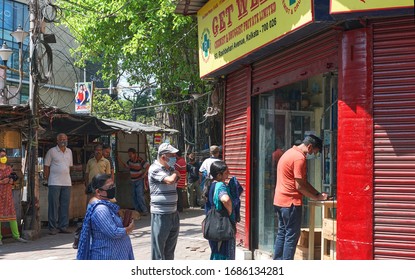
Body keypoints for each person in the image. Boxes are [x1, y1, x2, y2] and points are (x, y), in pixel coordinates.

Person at [273, 134, 328, 260]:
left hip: (279, 201)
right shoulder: (299, 158)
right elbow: (299, 186)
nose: (313, 155)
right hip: (290, 203)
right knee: (291, 237)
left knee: (282, 233)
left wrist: (317, 194)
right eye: (315, 152)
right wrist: (317, 198)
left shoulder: (289, 152)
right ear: (309, 147)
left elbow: (302, 182)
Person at [76, 174, 135, 260]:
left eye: (113, 185)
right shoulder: (101, 209)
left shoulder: (106, 205)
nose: (113, 189)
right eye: (109, 187)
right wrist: (128, 229)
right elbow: (113, 232)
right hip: (106, 256)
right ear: (98, 192)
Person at [148, 143, 181, 260]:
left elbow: (178, 176)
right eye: (171, 155)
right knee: (159, 250)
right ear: (163, 157)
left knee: (170, 250)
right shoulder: (154, 168)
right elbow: (170, 180)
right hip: (161, 214)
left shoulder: (171, 169)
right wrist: (175, 174)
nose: (174, 158)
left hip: (173, 213)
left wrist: (175, 173)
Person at [205, 160, 237, 260]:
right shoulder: (220, 185)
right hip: (222, 225)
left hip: (213, 224)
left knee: (216, 251)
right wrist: (230, 211)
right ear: (219, 175)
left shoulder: (211, 184)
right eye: (226, 172)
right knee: (223, 253)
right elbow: (225, 199)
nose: (229, 173)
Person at [44, 133, 73, 235]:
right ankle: (52, 227)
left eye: (64, 139)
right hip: (54, 182)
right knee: (54, 205)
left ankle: (63, 226)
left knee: (65, 205)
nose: (63, 141)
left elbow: (70, 167)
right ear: (57, 141)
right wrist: (46, 179)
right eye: (61, 139)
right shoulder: (51, 151)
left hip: (66, 182)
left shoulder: (69, 151)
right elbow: (46, 166)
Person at [0, 148, 27, 245]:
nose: (3, 158)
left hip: (7, 195)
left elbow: (14, 179)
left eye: (4, 156)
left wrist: (11, 181)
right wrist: (1, 181)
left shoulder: (8, 168)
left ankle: (16, 236)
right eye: (1, 156)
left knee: (12, 216)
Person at [120, 148, 150, 216]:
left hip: (139, 180)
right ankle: (137, 211)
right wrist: (121, 161)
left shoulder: (140, 160)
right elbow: (127, 166)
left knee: (139, 196)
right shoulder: (130, 161)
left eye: (131, 154)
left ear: (134, 154)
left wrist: (144, 174)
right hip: (133, 180)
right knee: (134, 196)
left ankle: (144, 210)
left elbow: (148, 166)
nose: (129, 155)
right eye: (129, 154)